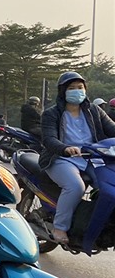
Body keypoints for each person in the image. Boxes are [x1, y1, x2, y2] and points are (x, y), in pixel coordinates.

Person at [39, 71, 115, 245]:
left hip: (91, 158)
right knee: (75, 186)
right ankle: (60, 227)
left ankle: (98, 225)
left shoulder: (94, 110)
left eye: (80, 88)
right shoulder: (52, 113)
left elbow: (112, 128)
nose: (77, 91)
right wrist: (65, 148)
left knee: (108, 187)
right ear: (63, 91)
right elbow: (49, 139)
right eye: (72, 88)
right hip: (60, 158)